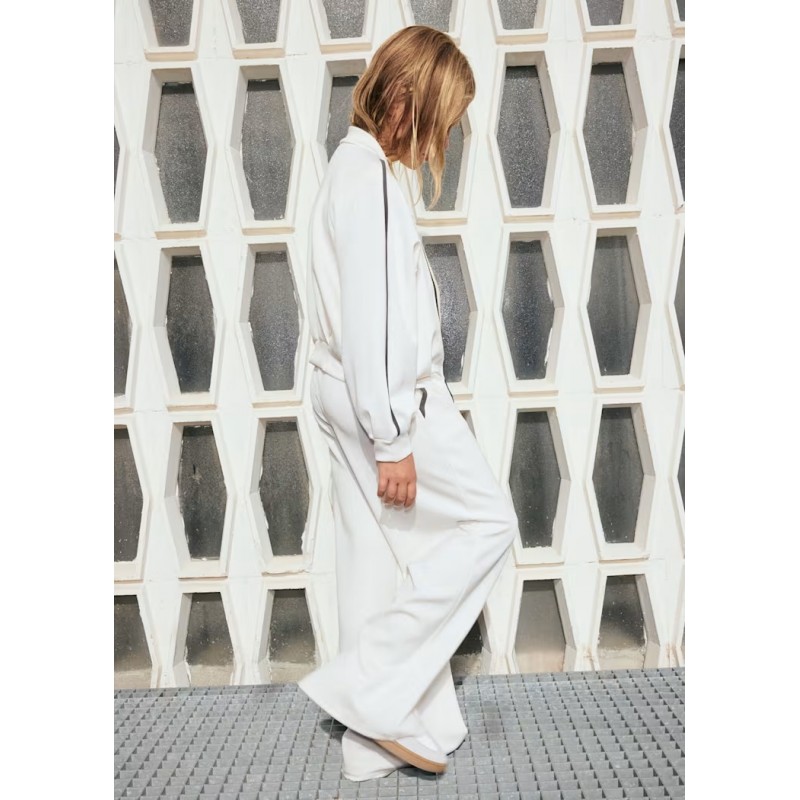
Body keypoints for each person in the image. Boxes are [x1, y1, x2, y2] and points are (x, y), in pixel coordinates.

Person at [297, 25, 519, 781]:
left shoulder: (351, 170)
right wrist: (393, 436)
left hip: (344, 389)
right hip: (390, 401)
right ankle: (370, 684)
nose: (442, 139)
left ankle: (373, 738)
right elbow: (377, 318)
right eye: (441, 119)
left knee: (374, 553)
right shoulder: (371, 185)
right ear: (403, 99)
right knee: (488, 522)